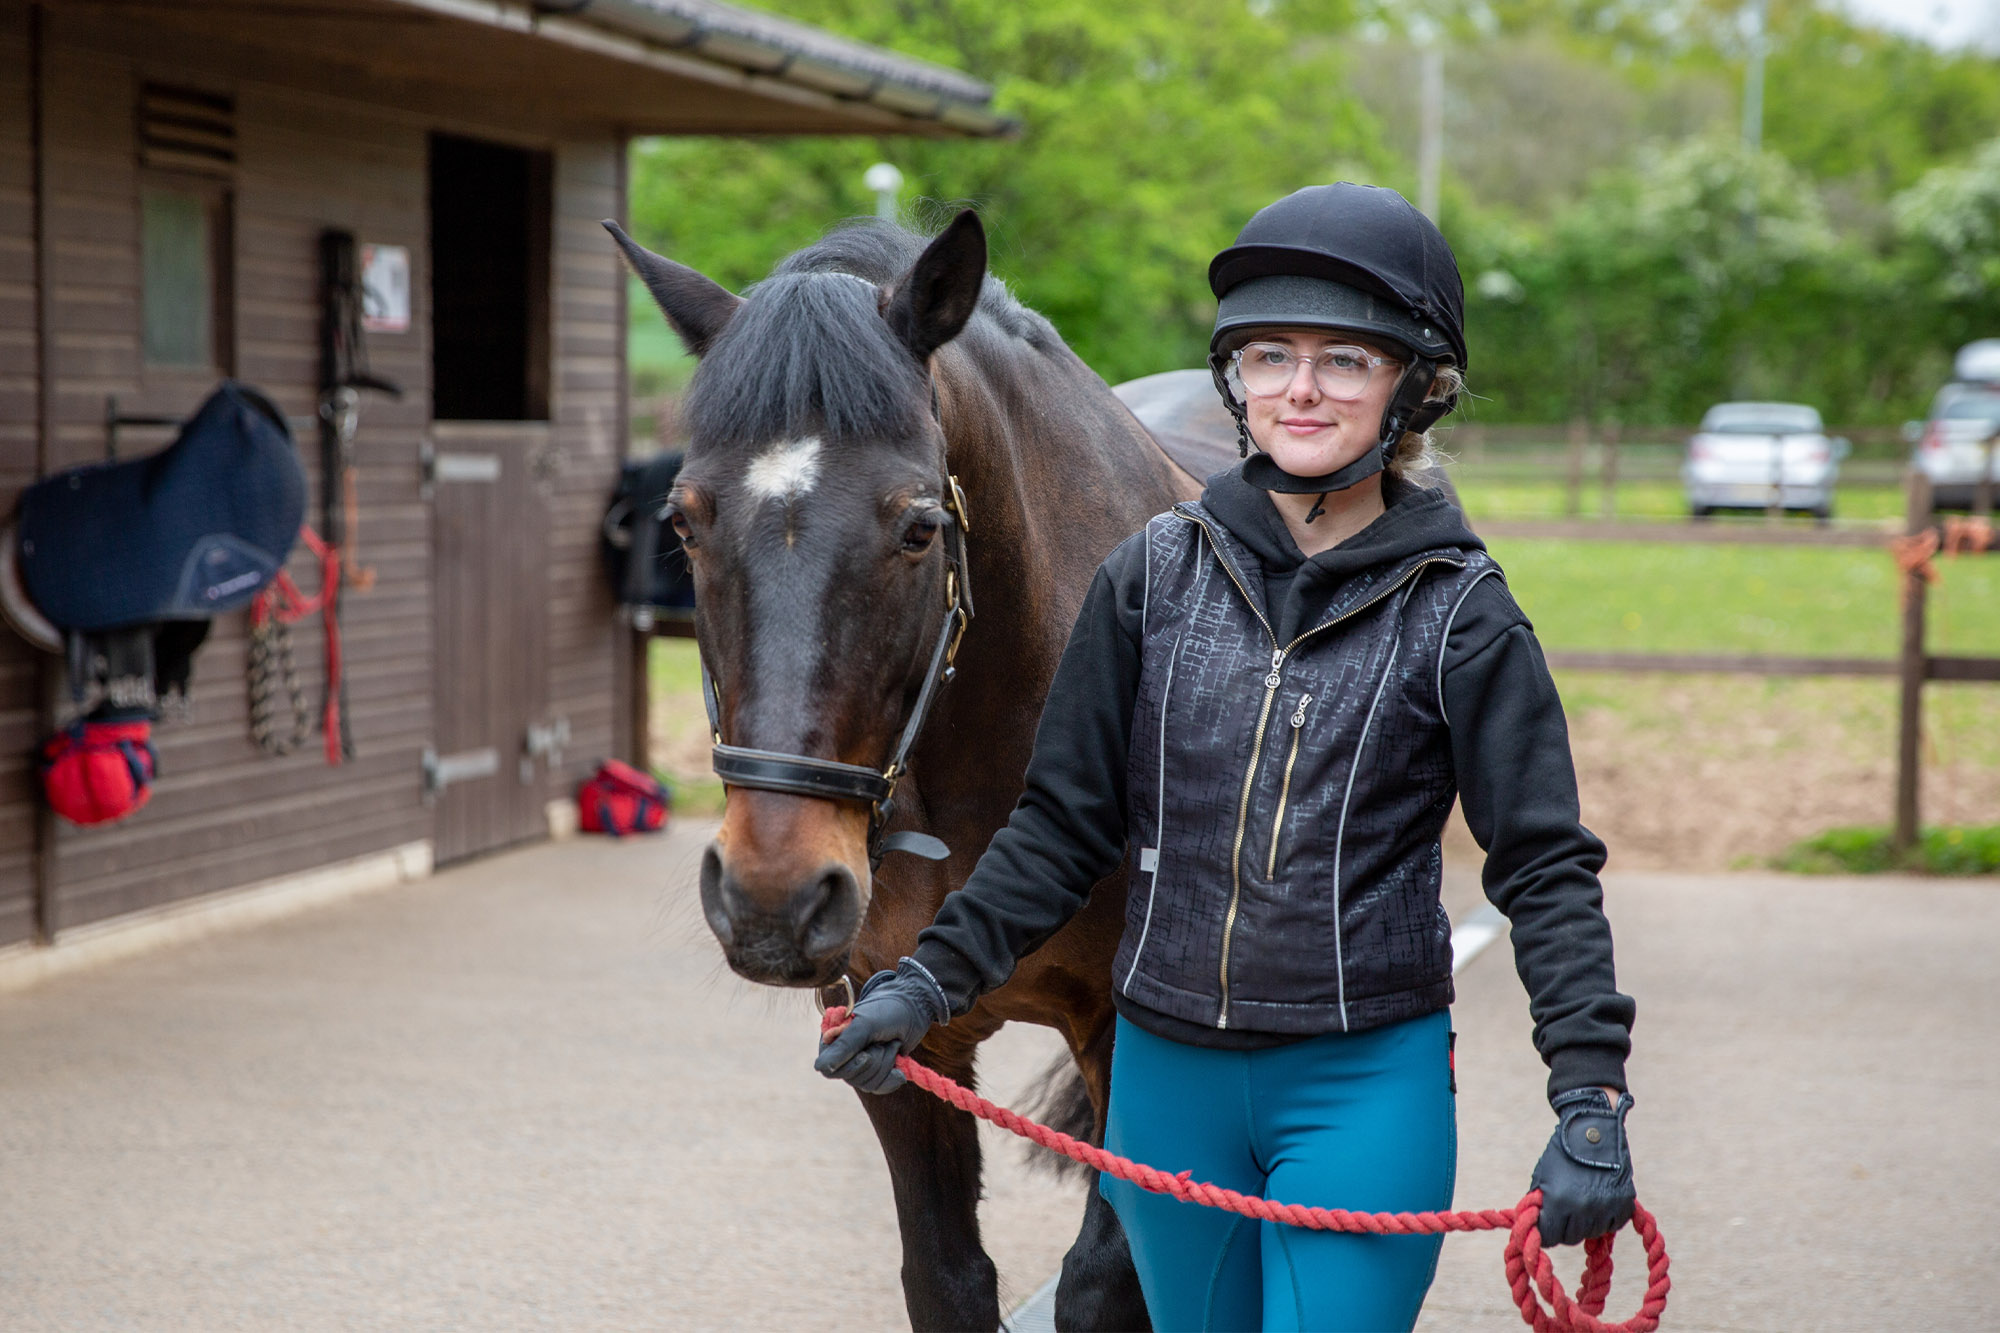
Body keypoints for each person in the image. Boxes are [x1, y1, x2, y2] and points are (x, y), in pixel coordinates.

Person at [815, 183, 1637, 1333]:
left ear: (1413, 384)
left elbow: (1543, 864)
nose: (1299, 389)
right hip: (1165, 1088)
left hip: (1359, 1085)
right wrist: (926, 980)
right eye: (1267, 355)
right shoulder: (1148, 577)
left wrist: (1588, 1092)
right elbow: (1059, 827)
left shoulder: (1464, 615)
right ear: (1233, 378)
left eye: (1343, 360)